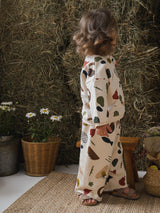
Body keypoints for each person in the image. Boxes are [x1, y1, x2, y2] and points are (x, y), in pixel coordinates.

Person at [73, 8, 140, 206]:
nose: (116, 37)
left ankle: (115, 184)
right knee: (93, 159)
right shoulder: (98, 68)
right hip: (99, 123)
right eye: (114, 33)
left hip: (110, 120)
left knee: (113, 154)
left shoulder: (103, 62)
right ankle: (87, 190)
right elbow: (97, 99)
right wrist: (100, 123)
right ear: (105, 37)